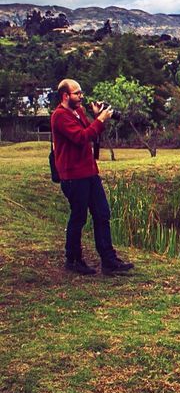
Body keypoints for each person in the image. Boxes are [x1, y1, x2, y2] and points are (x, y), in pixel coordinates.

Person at [50, 79, 133, 275]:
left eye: (81, 93)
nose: (81, 97)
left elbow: (91, 134)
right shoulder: (59, 116)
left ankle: (109, 261)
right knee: (79, 217)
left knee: (102, 213)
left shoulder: (78, 112)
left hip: (89, 171)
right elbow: (80, 138)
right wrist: (100, 119)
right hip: (73, 175)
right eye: (77, 94)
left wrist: (96, 118)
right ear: (65, 96)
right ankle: (73, 260)